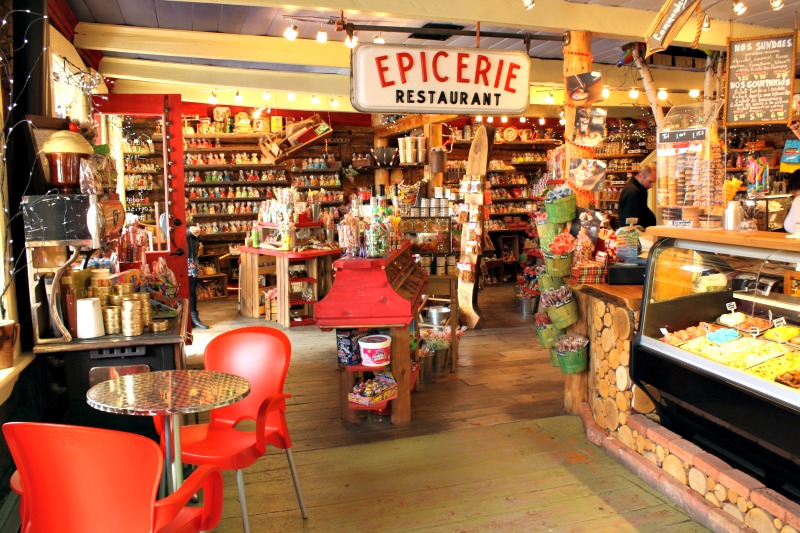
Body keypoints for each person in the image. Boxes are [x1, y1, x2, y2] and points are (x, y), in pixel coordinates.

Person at [184, 194, 209, 329]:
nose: (185, 206)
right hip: (182, 257)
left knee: (192, 289)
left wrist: (196, 234)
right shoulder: (167, 216)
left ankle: (194, 317)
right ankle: (187, 318)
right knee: (183, 290)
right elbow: (169, 234)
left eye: (187, 203)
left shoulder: (188, 217)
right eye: (183, 203)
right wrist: (189, 231)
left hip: (192, 257)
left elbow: (190, 236)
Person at [618, 162, 657, 229]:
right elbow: (630, 221)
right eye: (650, 182)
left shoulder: (638, 189)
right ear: (641, 176)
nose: (651, 186)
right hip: (635, 236)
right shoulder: (632, 191)